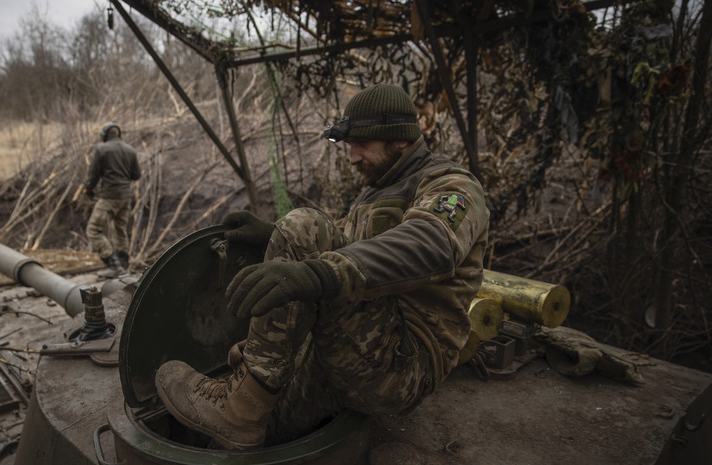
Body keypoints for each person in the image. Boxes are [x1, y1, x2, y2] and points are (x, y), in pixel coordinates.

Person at [155, 84, 489, 449]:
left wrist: (315, 269)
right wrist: (271, 236)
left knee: (304, 224)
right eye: (348, 146)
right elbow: (346, 242)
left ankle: (240, 407)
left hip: (404, 364)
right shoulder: (376, 191)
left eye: (361, 144)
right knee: (255, 433)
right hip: (360, 346)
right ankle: (245, 406)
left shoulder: (450, 185)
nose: (353, 158)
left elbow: (431, 243)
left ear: (398, 139)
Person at [83, 123, 141, 278]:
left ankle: (112, 264)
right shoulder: (131, 150)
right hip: (126, 197)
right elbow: (136, 175)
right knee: (120, 230)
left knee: (93, 229)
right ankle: (123, 267)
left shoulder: (101, 149)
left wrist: (87, 189)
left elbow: (93, 175)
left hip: (110, 196)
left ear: (104, 135)